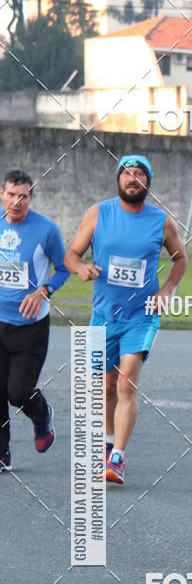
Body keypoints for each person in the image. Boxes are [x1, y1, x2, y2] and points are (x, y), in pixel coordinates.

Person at [65, 155, 187, 484]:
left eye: (139, 174)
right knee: (105, 387)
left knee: (126, 382)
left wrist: (167, 290)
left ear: (149, 182)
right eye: (127, 173)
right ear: (119, 180)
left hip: (141, 316)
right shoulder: (98, 213)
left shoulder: (161, 221)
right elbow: (72, 254)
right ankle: (107, 446)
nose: (132, 179)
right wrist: (81, 269)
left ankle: (118, 456)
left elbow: (180, 259)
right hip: (103, 315)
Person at [0, 169, 69, 471]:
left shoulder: (46, 230)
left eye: (23, 196)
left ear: (31, 197)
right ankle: (2, 453)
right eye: (12, 195)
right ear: (2, 194)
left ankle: (42, 415)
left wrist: (44, 290)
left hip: (30, 326)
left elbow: (64, 269)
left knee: (17, 392)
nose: (17, 201)